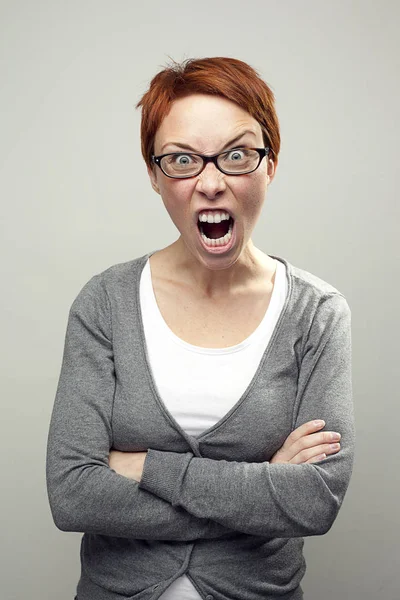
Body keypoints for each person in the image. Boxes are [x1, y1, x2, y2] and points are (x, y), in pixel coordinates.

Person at [46, 57, 355, 600]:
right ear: (154, 174)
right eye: (183, 160)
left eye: (236, 155)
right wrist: (261, 489)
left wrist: (144, 467)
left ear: (271, 164)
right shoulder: (105, 304)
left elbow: (314, 502)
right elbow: (73, 495)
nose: (211, 182)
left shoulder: (316, 314)